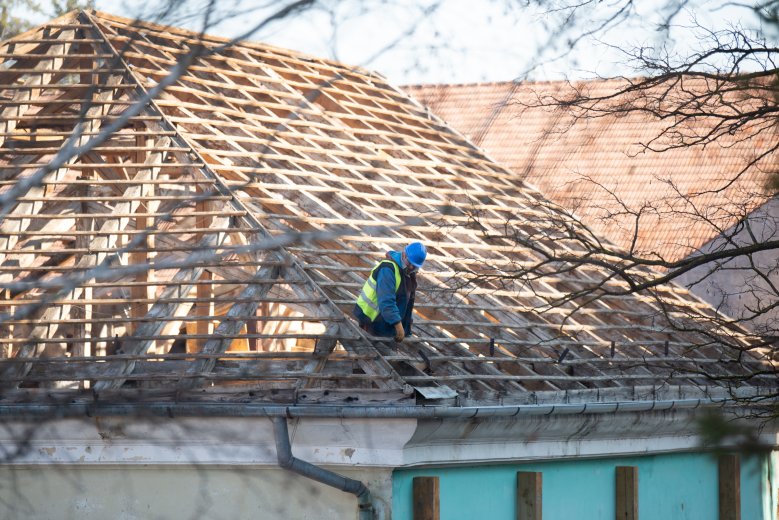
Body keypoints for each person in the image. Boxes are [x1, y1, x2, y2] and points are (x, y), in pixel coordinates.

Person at [353, 242, 426, 342]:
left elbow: (407, 302)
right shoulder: (388, 269)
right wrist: (397, 324)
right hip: (372, 321)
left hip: (387, 324)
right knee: (369, 354)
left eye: (415, 266)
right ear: (404, 254)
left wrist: (406, 326)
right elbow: (386, 301)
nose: (411, 268)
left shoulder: (408, 273)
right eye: (410, 263)